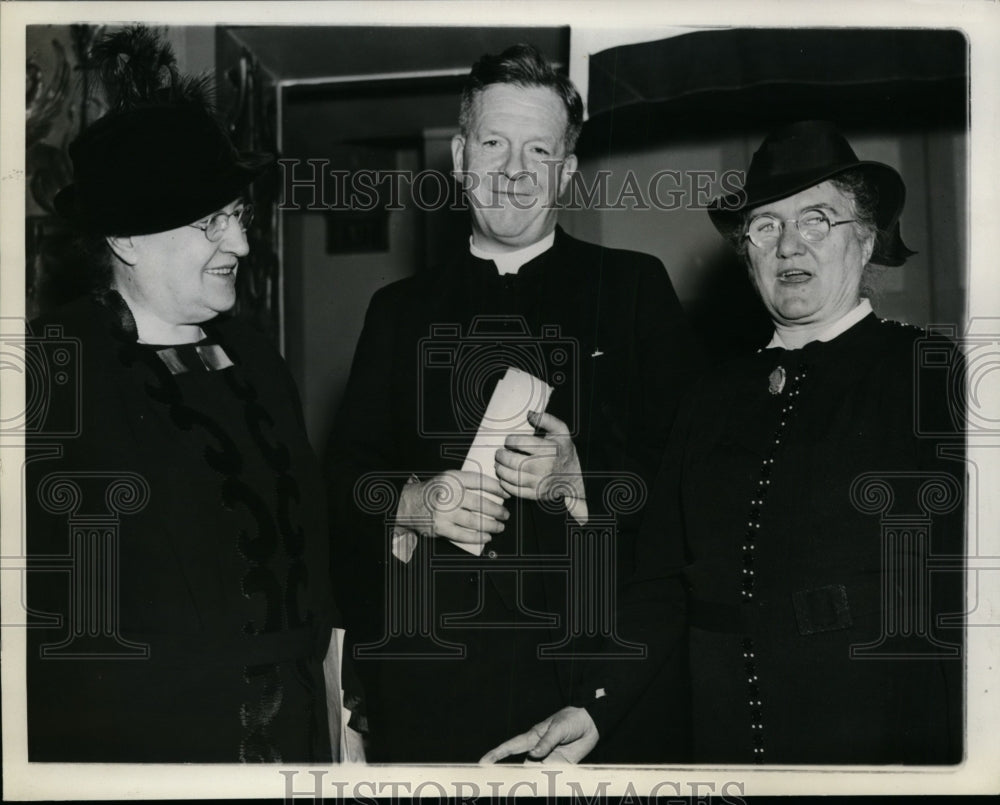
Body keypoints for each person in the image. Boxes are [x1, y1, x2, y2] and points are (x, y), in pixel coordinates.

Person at [482, 120, 965, 765]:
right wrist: (595, 708)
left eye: (817, 219)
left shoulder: (923, 369)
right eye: (766, 226)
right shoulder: (709, 398)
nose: (789, 244)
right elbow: (663, 586)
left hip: (878, 735)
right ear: (748, 252)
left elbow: (965, 587)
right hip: (725, 736)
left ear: (867, 240)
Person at [326, 43, 702, 762]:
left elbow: (695, 482)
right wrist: (410, 500)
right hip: (433, 689)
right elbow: (341, 480)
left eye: (539, 150)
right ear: (461, 158)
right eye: (494, 144)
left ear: (566, 170)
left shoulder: (634, 290)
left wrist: (580, 479)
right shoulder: (397, 310)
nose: (514, 171)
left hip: (592, 687)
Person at [25, 27, 362, 763]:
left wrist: (341, 717)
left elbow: (313, 556)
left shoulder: (255, 354)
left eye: (237, 216)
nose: (240, 245)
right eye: (210, 222)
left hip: (300, 739)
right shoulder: (57, 370)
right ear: (126, 239)